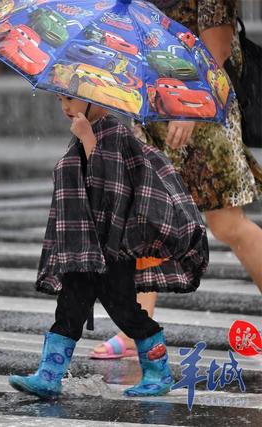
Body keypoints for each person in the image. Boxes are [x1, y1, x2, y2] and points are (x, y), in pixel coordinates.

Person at [91, 0, 262, 360]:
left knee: (228, 224)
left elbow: (217, 42)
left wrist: (191, 102)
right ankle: (137, 328)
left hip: (201, 107)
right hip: (153, 104)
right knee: (144, 219)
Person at [7, 95, 209, 398]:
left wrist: (88, 140)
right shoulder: (86, 131)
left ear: (94, 98)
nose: (64, 107)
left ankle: (158, 372)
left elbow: (109, 191)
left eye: (70, 99)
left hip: (111, 248)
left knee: (124, 310)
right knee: (70, 308)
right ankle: (49, 376)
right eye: (60, 99)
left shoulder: (114, 132)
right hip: (84, 245)